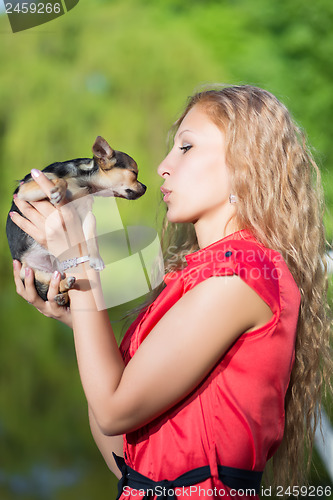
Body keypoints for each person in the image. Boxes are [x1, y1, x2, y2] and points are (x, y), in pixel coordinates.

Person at [10, 85, 332, 499]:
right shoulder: (193, 280)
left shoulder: (242, 276)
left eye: (185, 147)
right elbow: (127, 462)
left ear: (245, 165)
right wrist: (79, 317)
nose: (162, 165)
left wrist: (79, 259)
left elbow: (112, 411)